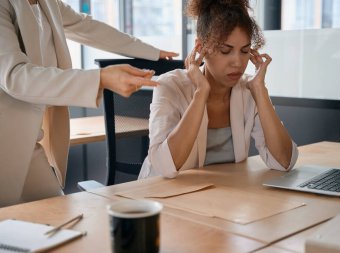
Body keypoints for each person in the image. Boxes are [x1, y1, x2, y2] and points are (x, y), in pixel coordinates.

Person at [0, 0, 178, 207]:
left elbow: (87, 27)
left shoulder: (47, 3)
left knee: (57, 220)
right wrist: (100, 78)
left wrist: (152, 52)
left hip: (28, 141)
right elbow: (15, 77)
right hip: (6, 142)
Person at [138, 0, 298, 179]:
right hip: (161, 196)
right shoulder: (170, 85)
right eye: (225, 50)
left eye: (244, 51)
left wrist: (260, 91)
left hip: (220, 199)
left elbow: (284, 161)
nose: (237, 62)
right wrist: (201, 94)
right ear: (201, 48)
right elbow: (164, 166)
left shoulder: (248, 90)